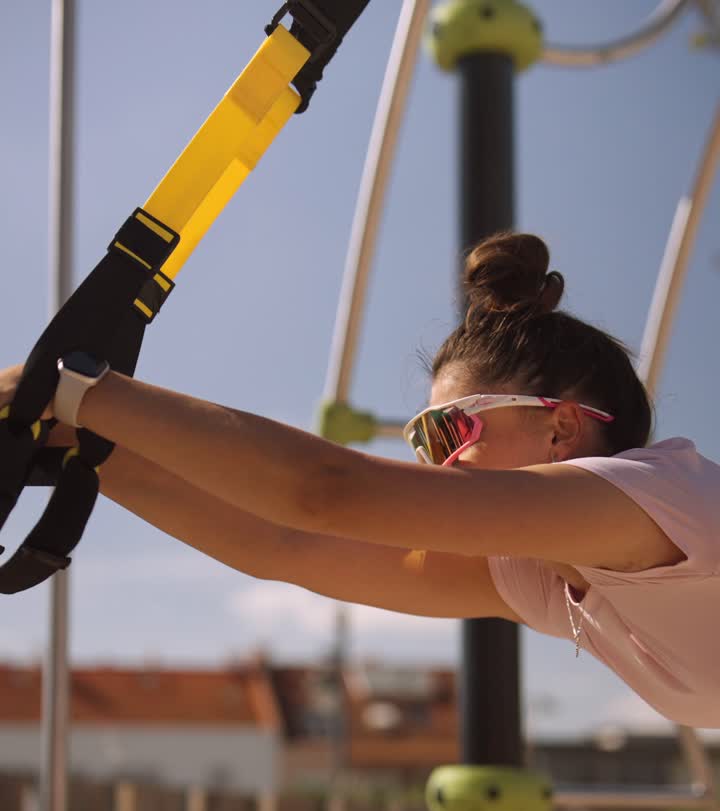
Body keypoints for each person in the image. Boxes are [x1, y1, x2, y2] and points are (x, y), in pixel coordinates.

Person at [2, 231, 719, 727]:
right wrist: (84, 447)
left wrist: (76, 390)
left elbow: (325, 495)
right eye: (421, 437)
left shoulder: (652, 500)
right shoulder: (552, 579)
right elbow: (287, 544)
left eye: (449, 431)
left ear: (561, 428)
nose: (429, 465)